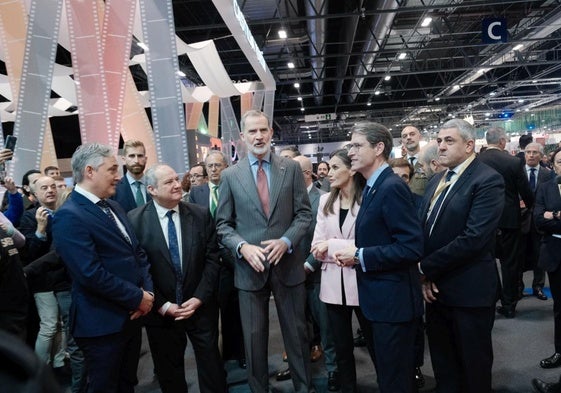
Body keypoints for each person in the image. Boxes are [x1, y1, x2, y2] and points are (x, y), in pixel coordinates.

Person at [216, 109, 313, 393]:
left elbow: (304, 215)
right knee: (254, 341)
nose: (258, 136)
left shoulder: (291, 168)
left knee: (297, 337)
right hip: (249, 270)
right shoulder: (230, 176)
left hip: (289, 266)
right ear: (243, 138)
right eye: (252, 132)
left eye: (263, 130)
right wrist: (242, 247)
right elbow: (222, 226)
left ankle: (304, 387)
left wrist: (286, 241)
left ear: (271, 133)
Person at [52, 143, 154, 393]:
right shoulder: (69, 215)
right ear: (90, 171)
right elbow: (90, 273)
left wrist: (147, 293)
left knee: (128, 384)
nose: (118, 176)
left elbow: (136, 252)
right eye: (112, 170)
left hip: (130, 317)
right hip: (101, 324)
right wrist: (137, 297)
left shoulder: (113, 207)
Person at [334, 122, 424, 393]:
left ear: (379, 148)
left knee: (395, 379)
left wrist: (360, 255)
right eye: (350, 145)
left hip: (394, 304)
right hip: (381, 301)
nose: (351, 151)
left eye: (357, 145)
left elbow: (411, 247)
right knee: (389, 376)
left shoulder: (390, 187)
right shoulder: (374, 186)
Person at [419, 119, 504, 393]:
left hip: (469, 291)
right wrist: (426, 275)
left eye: (449, 141)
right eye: (439, 140)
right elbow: (425, 229)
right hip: (436, 290)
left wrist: (424, 268)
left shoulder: (487, 179)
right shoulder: (436, 180)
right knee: (444, 364)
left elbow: (474, 238)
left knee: (474, 367)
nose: (440, 146)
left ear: (469, 145)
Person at [128, 163, 226, 393]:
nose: (177, 184)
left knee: (212, 368)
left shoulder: (200, 214)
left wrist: (200, 297)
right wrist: (162, 305)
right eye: (169, 182)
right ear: (151, 189)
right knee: (169, 373)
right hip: (161, 313)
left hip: (200, 308)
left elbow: (213, 259)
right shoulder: (134, 221)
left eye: (176, 179)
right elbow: (138, 270)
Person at [311, 148, 374, 393]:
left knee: (374, 342)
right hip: (332, 286)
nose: (329, 173)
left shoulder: (368, 198)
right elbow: (316, 246)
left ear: (352, 169)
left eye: (336, 167)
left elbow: (369, 244)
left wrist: (332, 245)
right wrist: (341, 249)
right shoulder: (326, 201)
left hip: (363, 282)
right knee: (341, 347)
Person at [189, 151, 246, 368]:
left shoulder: (234, 188)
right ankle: (216, 358)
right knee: (209, 313)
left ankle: (239, 353)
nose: (213, 169)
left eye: (217, 165)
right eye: (210, 165)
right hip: (207, 261)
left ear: (225, 167)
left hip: (232, 258)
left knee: (234, 310)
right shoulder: (197, 193)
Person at [479, 127, 534, 318]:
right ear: (502, 141)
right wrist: (532, 207)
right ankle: (509, 304)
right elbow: (525, 191)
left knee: (486, 261)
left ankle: (492, 297)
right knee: (510, 264)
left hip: (483, 220)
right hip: (509, 219)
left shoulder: (477, 161)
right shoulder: (513, 162)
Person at [532, 147, 561, 373]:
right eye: (560, 162)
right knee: (559, 308)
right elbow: (539, 220)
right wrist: (555, 216)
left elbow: (548, 217)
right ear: (553, 165)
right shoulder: (545, 187)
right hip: (555, 252)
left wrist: (554, 214)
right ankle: (559, 351)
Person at [519, 142, 555, 302]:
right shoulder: (517, 172)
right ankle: (517, 288)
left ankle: (538, 286)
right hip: (520, 221)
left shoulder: (548, 175)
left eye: (534, 152)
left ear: (541, 156)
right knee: (519, 256)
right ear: (524, 154)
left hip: (540, 222)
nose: (531, 155)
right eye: (528, 152)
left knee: (539, 255)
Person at [112, 140, 151, 212]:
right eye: (132, 156)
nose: (136, 160)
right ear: (124, 160)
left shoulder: (155, 185)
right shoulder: (115, 189)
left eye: (140, 156)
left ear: (145, 159)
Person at [401, 125, 428, 196]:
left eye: (412, 134)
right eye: (405, 136)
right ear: (402, 141)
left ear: (420, 137)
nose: (408, 137)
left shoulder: (428, 162)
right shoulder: (399, 164)